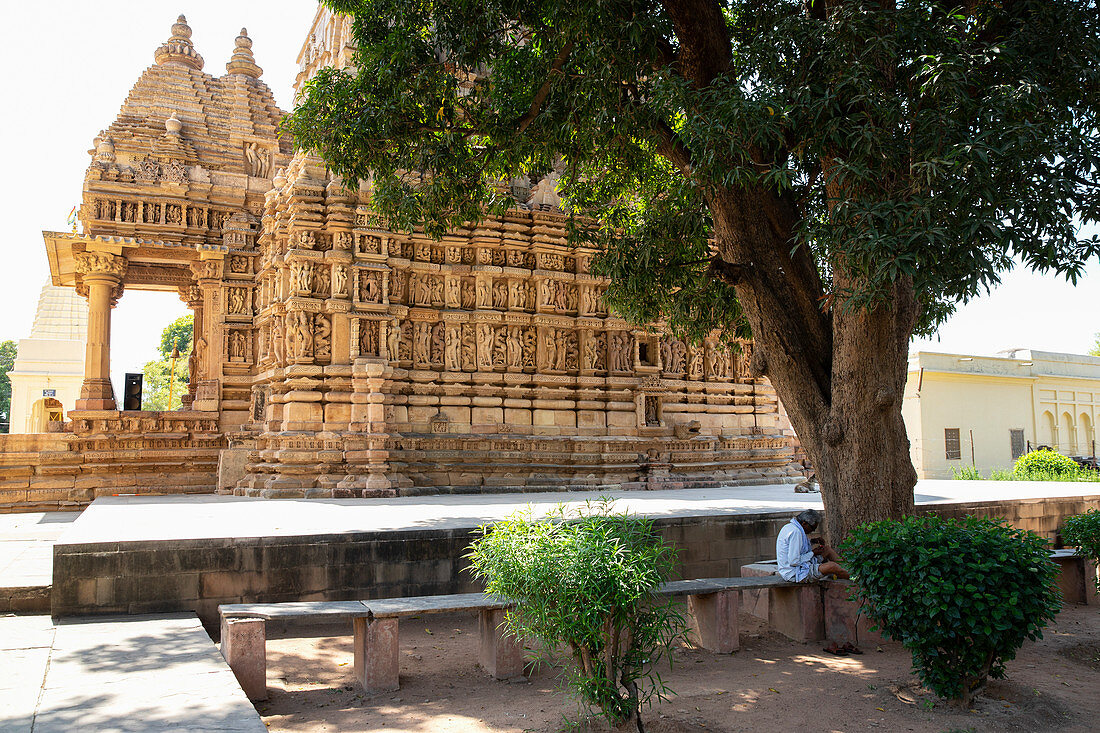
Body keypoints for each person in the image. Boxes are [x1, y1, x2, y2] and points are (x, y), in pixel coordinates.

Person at [776, 509, 849, 581]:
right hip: (795, 573)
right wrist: (813, 553)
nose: (813, 531)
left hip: (800, 565)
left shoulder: (790, 526)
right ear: (804, 523)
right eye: (812, 528)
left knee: (827, 550)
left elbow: (798, 546)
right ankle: (855, 578)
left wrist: (813, 541)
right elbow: (794, 561)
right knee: (832, 566)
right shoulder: (796, 532)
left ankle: (849, 570)